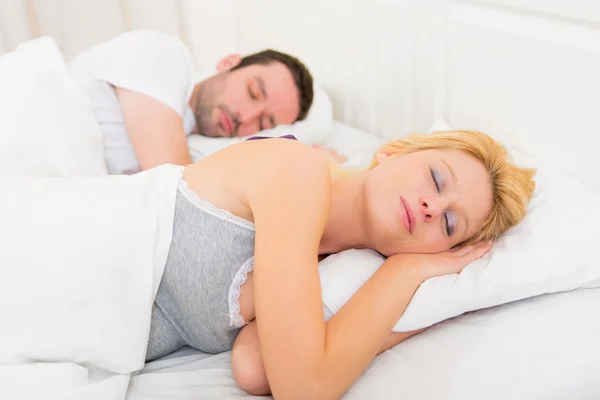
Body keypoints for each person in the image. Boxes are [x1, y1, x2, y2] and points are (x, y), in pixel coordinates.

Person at [146, 129, 536, 399]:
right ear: (393, 151)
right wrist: (402, 273)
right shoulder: (296, 169)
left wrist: (407, 284)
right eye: (435, 178)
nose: (431, 207)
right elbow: (303, 390)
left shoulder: (325, 268)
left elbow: (255, 367)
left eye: (450, 223)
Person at [66, 29, 327, 175]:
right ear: (229, 63)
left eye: (263, 122)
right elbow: (183, 195)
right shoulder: (166, 56)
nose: (245, 117)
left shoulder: (189, 138)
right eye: (253, 92)